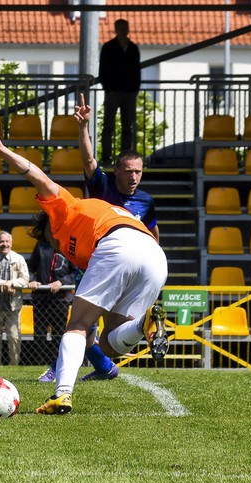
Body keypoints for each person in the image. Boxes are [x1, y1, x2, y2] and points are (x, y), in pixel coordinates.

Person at [0, 115, 168, 415]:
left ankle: (62, 394)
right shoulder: (82, 246)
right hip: (153, 256)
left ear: (49, 226)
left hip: (120, 242)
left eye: (51, 242)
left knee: (75, 325)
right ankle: (145, 324)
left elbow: (34, 173)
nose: (56, 248)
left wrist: (1, 150)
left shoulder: (64, 206)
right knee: (109, 343)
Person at [53, 92, 159, 382]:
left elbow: (153, 233)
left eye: (138, 171)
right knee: (88, 326)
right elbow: (87, 158)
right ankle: (100, 364)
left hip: (128, 264)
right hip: (99, 259)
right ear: (116, 172)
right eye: (129, 171)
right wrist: (82, 126)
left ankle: (76, 369)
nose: (134, 177)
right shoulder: (103, 187)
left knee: (85, 324)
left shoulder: (147, 201)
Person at [0, 230, 29, 366]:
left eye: (7, 241)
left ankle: (13, 365)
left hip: (13, 304)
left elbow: (25, 279)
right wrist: (4, 283)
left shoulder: (19, 259)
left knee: (14, 337)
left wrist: (13, 283)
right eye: (2, 241)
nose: (4, 244)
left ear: (11, 243)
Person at [27, 240, 76, 370]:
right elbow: (30, 268)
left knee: (59, 334)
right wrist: (32, 280)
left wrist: (61, 282)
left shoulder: (68, 246)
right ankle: (39, 365)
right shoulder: (41, 245)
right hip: (41, 298)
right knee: (39, 334)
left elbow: (75, 273)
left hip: (61, 299)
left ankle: (57, 365)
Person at [98, 18, 141, 165]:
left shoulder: (133, 48)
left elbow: (136, 71)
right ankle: (106, 158)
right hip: (113, 92)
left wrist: (134, 89)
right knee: (109, 126)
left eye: (125, 28)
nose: (123, 31)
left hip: (128, 93)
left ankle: (125, 158)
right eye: (121, 28)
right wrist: (108, 89)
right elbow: (103, 70)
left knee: (127, 126)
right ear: (116, 30)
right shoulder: (109, 47)